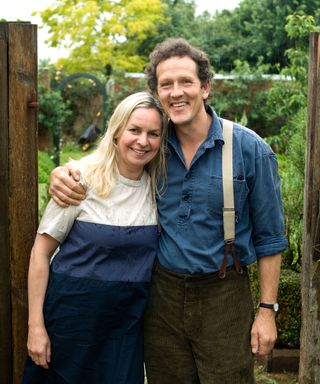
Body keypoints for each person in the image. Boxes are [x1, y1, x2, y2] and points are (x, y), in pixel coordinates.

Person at [48, 38, 288, 383]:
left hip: (224, 293)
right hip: (162, 293)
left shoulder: (249, 149)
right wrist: (61, 173)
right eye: (166, 84)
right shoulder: (152, 146)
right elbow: (104, 165)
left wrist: (267, 311)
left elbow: (270, 238)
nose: (177, 92)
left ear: (205, 88)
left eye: (186, 82)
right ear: (158, 93)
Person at [23, 91, 167, 384]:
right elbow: (40, 252)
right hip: (70, 322)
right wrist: (35, 326)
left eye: (153, 134)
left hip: (124, 328)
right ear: (116, 132)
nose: (143, 141)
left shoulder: (159, 187)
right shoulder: (79, 180)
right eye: (134, 130)